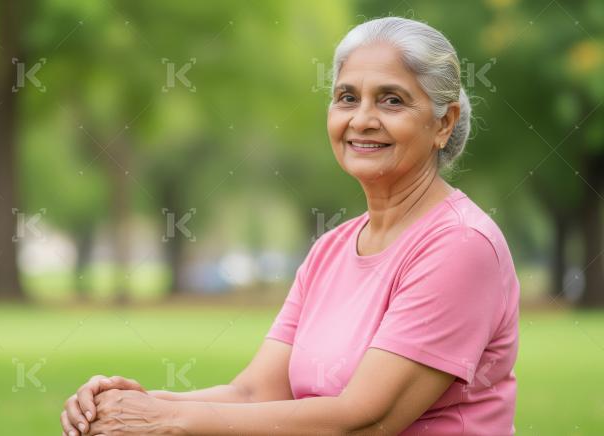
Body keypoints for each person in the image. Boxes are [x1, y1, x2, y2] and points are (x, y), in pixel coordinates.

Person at [61, 16, 519, 435]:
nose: (362, 119)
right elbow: (254, 394)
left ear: (444, 123)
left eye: (391, 100)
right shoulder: (331, 249)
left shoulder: (460, 245)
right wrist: (125, 405)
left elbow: (362, 422)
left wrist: (169, 421)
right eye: (346, 98)